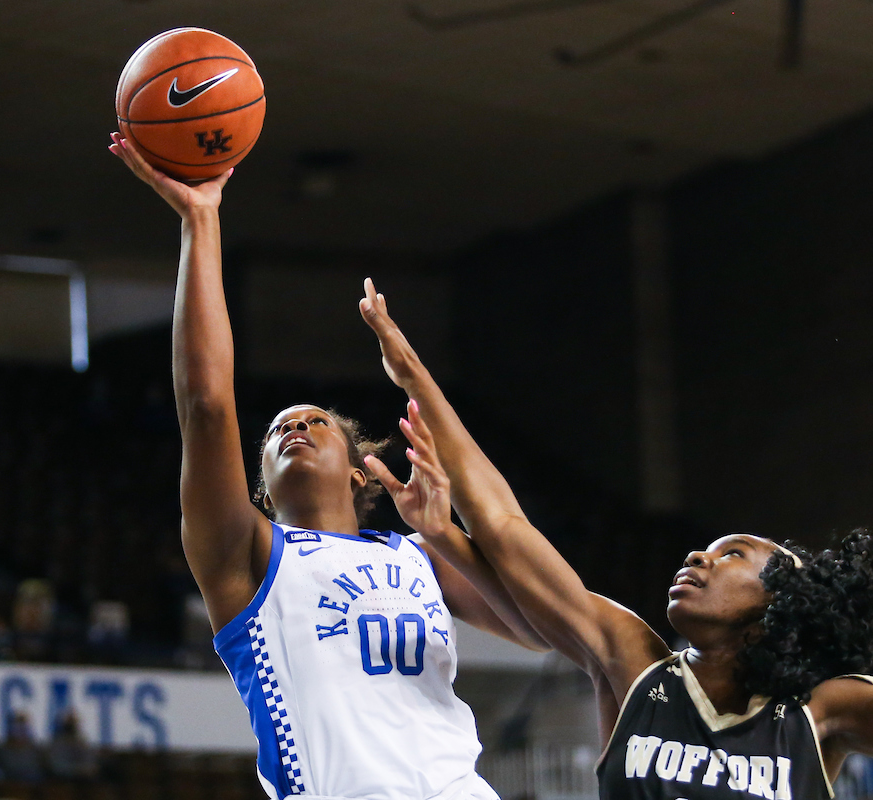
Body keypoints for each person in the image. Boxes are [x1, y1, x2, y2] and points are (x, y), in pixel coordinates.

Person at [358, 280, 873, 800]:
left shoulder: (822, 709)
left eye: (734, 554)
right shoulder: (633, 660)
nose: (699, 555)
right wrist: (414, 375)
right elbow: (506, 527)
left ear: (779, 603)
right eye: (706, 548)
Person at [107, 134, 548, 800]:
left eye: (316, 422)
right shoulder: (249, 554)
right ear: (259, 484)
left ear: (359, 471)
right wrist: (201, 220)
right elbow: (206, 403)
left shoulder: (419, 558)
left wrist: (444, 535)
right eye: (279, 428)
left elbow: (539, 630)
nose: (294, 428)